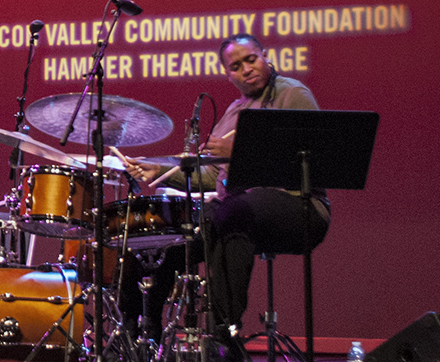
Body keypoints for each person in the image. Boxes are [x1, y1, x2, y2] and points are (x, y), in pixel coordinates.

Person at [120, 34, 329, 358]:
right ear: (228, 74)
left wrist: (239, 150)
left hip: (299, 205)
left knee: (231, 212)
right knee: (165, 230)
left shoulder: (292, 93)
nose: (246, 69)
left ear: (265, 56)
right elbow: (212, 176)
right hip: (241, 208)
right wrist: (160, 170)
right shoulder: (233, 112)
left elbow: (310, 159)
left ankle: (222, 334)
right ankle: (142, 329)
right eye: (236, 66)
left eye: (251, 59)